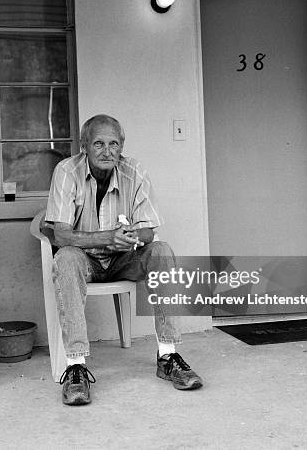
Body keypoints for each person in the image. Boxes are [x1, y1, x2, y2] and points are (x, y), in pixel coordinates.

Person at [46, 114, 203, 405]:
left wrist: (132, 235)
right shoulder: (67, 171)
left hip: (123, 258)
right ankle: (76, 367)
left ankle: (167, 355)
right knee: (65, 258)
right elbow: (62, 236)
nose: (107, 151)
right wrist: (108, 237)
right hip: (85, 260)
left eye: (114, 144)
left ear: (122, 147)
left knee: (162, 250)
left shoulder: (134, 171)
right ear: (84, 146)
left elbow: (149, 228)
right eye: (99, 144)